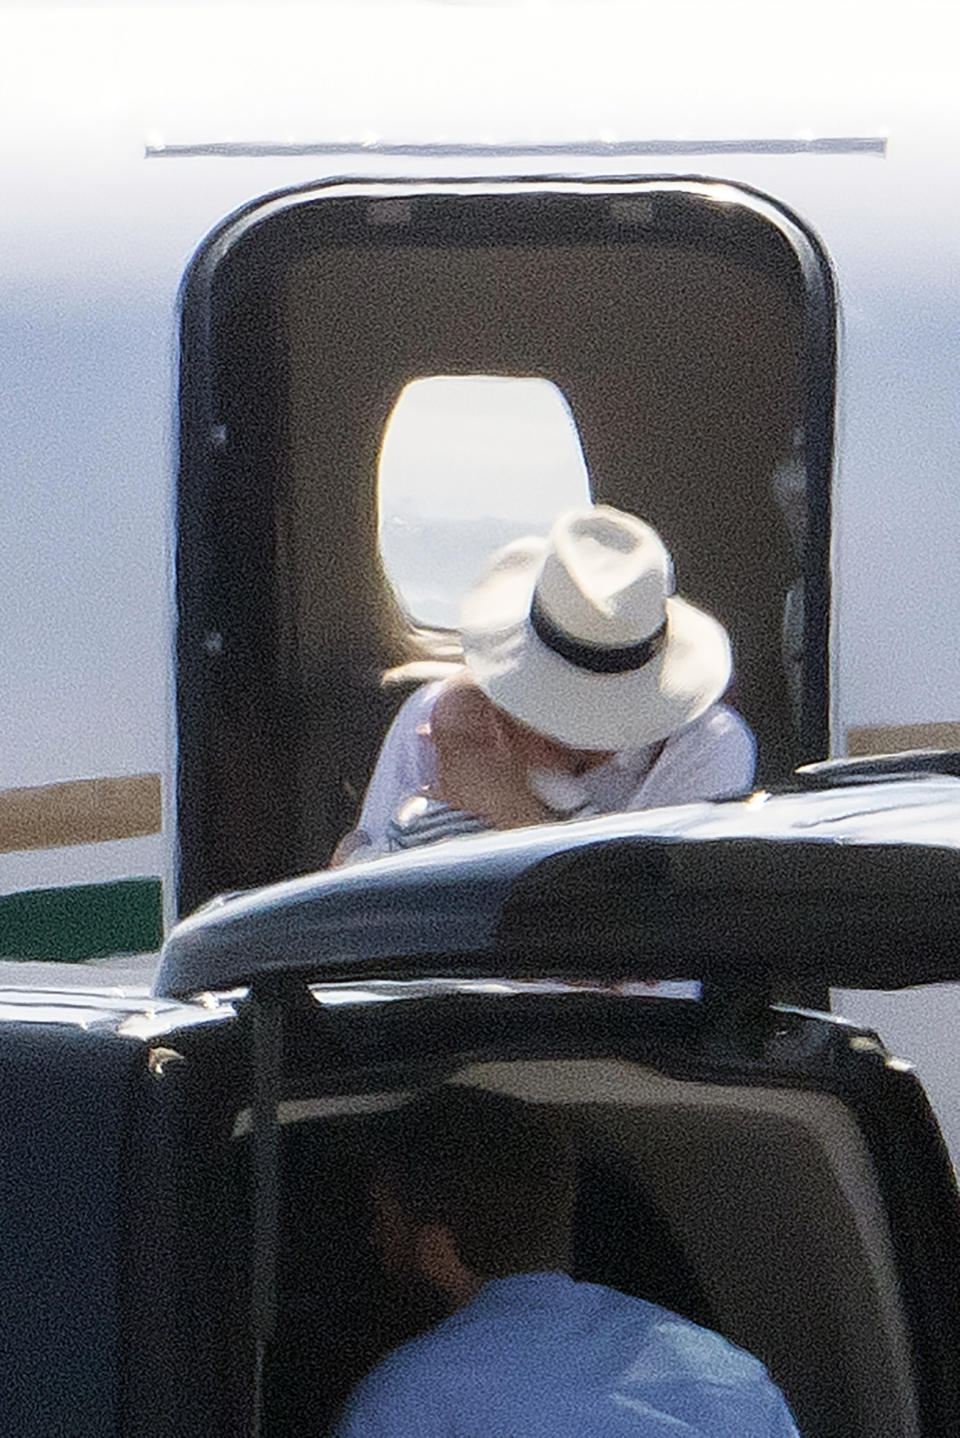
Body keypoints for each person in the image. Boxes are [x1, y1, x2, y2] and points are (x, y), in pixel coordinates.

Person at [333, 1085, 801, 1437]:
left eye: (383, 1219)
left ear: (435, 1247)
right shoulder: (730, 1375)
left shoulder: (408, 1398)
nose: (373, 1239)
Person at [334, 505, 755, 864]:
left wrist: (506, 806)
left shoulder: (708, 746)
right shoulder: (437, 717)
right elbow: (359, 892)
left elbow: (628, 925)